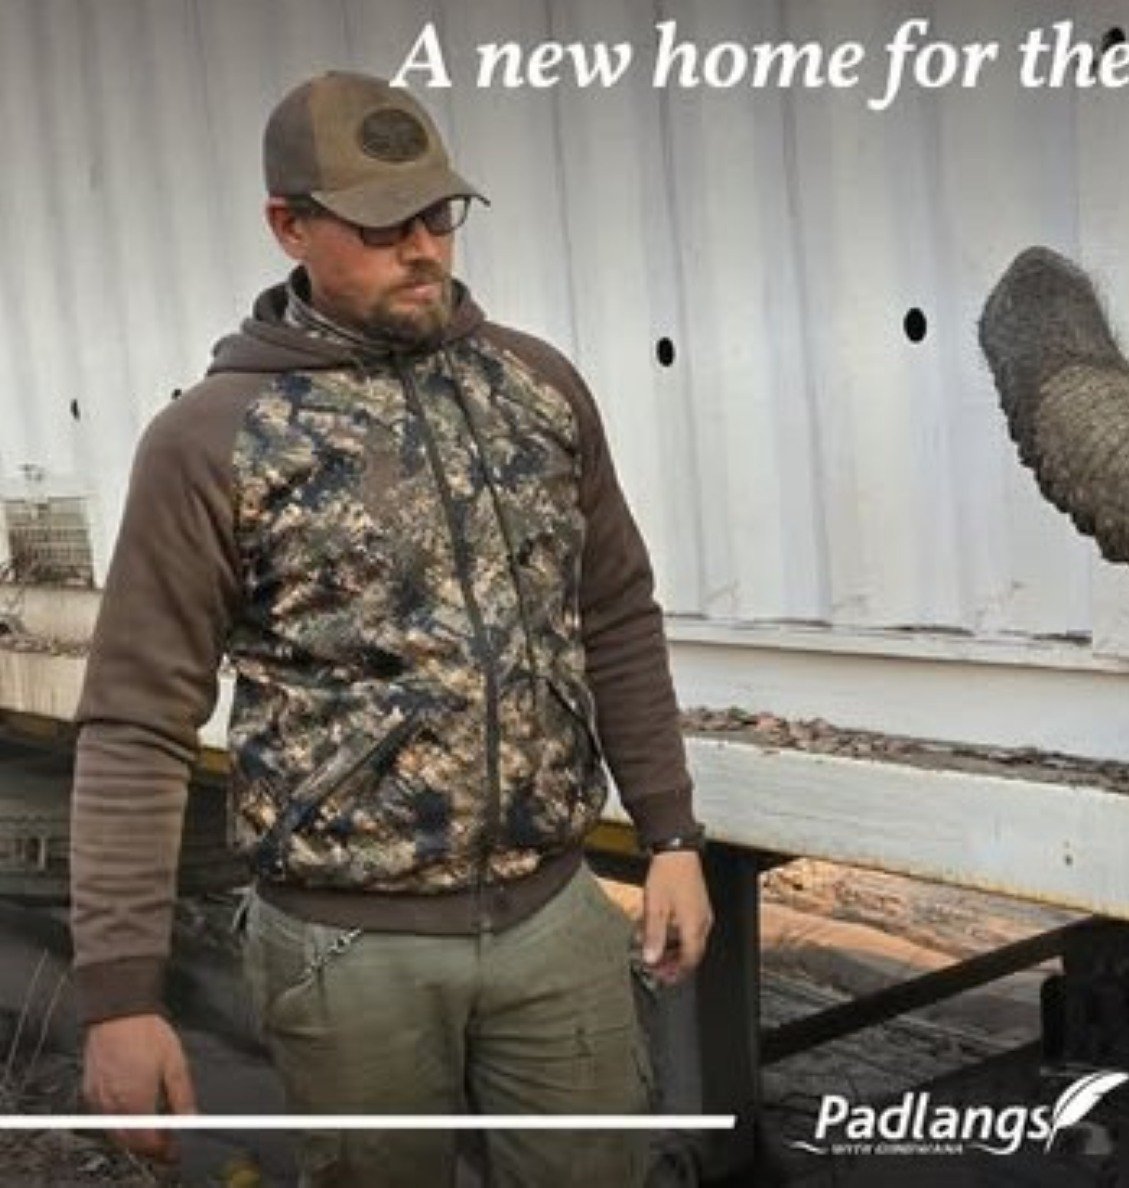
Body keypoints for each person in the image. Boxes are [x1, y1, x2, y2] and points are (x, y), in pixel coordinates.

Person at [68, 70, 712, 1185]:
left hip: (555, 924)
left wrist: (671, 837)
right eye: (381, 225)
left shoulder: (536, 388)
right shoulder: (213, 439)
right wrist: (120, 995)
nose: (422, 248)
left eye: (438, 215)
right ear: (290, 226)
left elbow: (614, 613)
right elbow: (136, 721)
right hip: (346, 952)